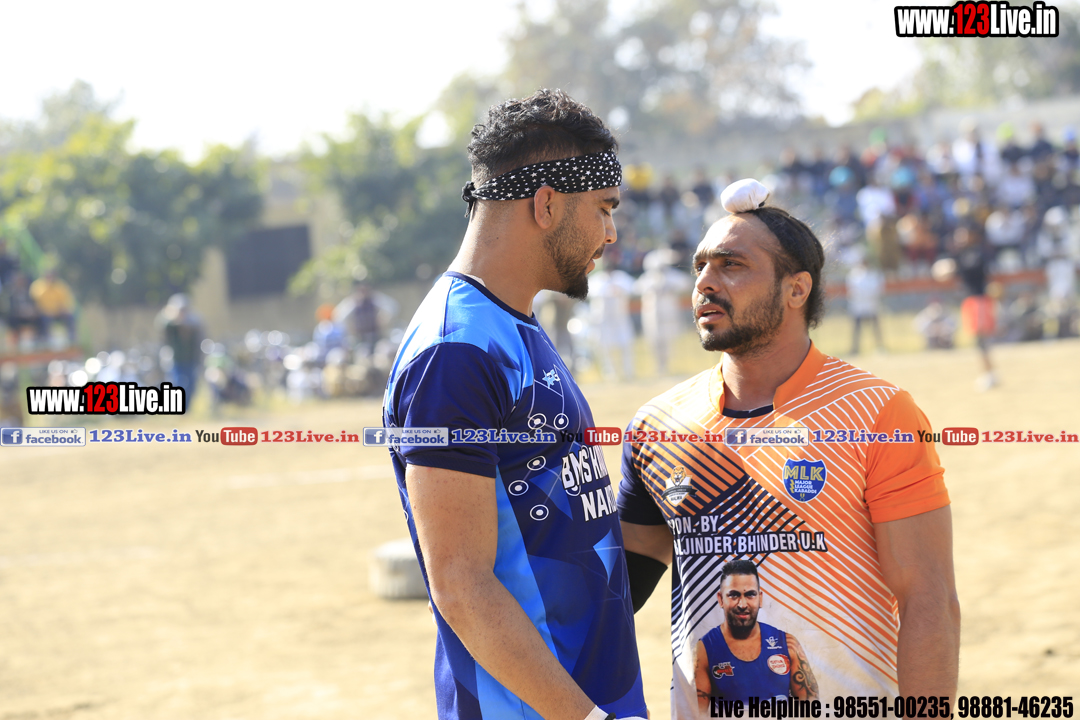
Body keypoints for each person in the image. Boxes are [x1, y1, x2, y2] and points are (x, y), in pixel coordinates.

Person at [617, 179, 959, 717]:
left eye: (731, 265)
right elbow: (616, 593)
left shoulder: (877, 412)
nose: (704, 282)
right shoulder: (658, 425)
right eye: (700, 266)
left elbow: (928, 599)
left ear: (797, 289)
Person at [382, 89, 647, 720]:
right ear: (547, 204)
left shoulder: (512, 323)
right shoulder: (456, 350)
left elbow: (560, 539)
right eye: (604, 208)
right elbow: (460, 583)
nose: (611, 233)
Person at [694, 561, 818, 709]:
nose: (742, 604)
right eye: (733, 595)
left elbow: (812, 711)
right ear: (721, 599)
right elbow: (695, 715)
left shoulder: (788, 644)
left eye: (750, 595)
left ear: (760, 598)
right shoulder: (705, 649)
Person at [157, 293, 204, 400]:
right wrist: (173, 316)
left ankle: (186, 406)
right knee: (178, 384)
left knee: (191, 386)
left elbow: (200, 335)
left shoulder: (194, 322)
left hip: (191, 359)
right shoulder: (170, 324)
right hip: (176, 360)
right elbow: (161, 324)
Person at [845, 254, 886, 355]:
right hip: (858, 306)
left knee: (875, 329)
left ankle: (880, 347)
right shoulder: (854, 275)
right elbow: (852, 291)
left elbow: (878, 289)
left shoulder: (874, 275)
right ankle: (855, 349)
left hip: (872, 305)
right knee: (857, 329)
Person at [29, 268, 77, 346]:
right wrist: (44, 311)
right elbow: (35, 302)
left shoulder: (61, 286)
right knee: (43, 320)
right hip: (43, 313)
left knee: (70, 317)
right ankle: (45, 340)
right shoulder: (37, 286)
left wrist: (63, 309)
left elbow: (66, 301)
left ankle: (72, 339)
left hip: (58, 312)